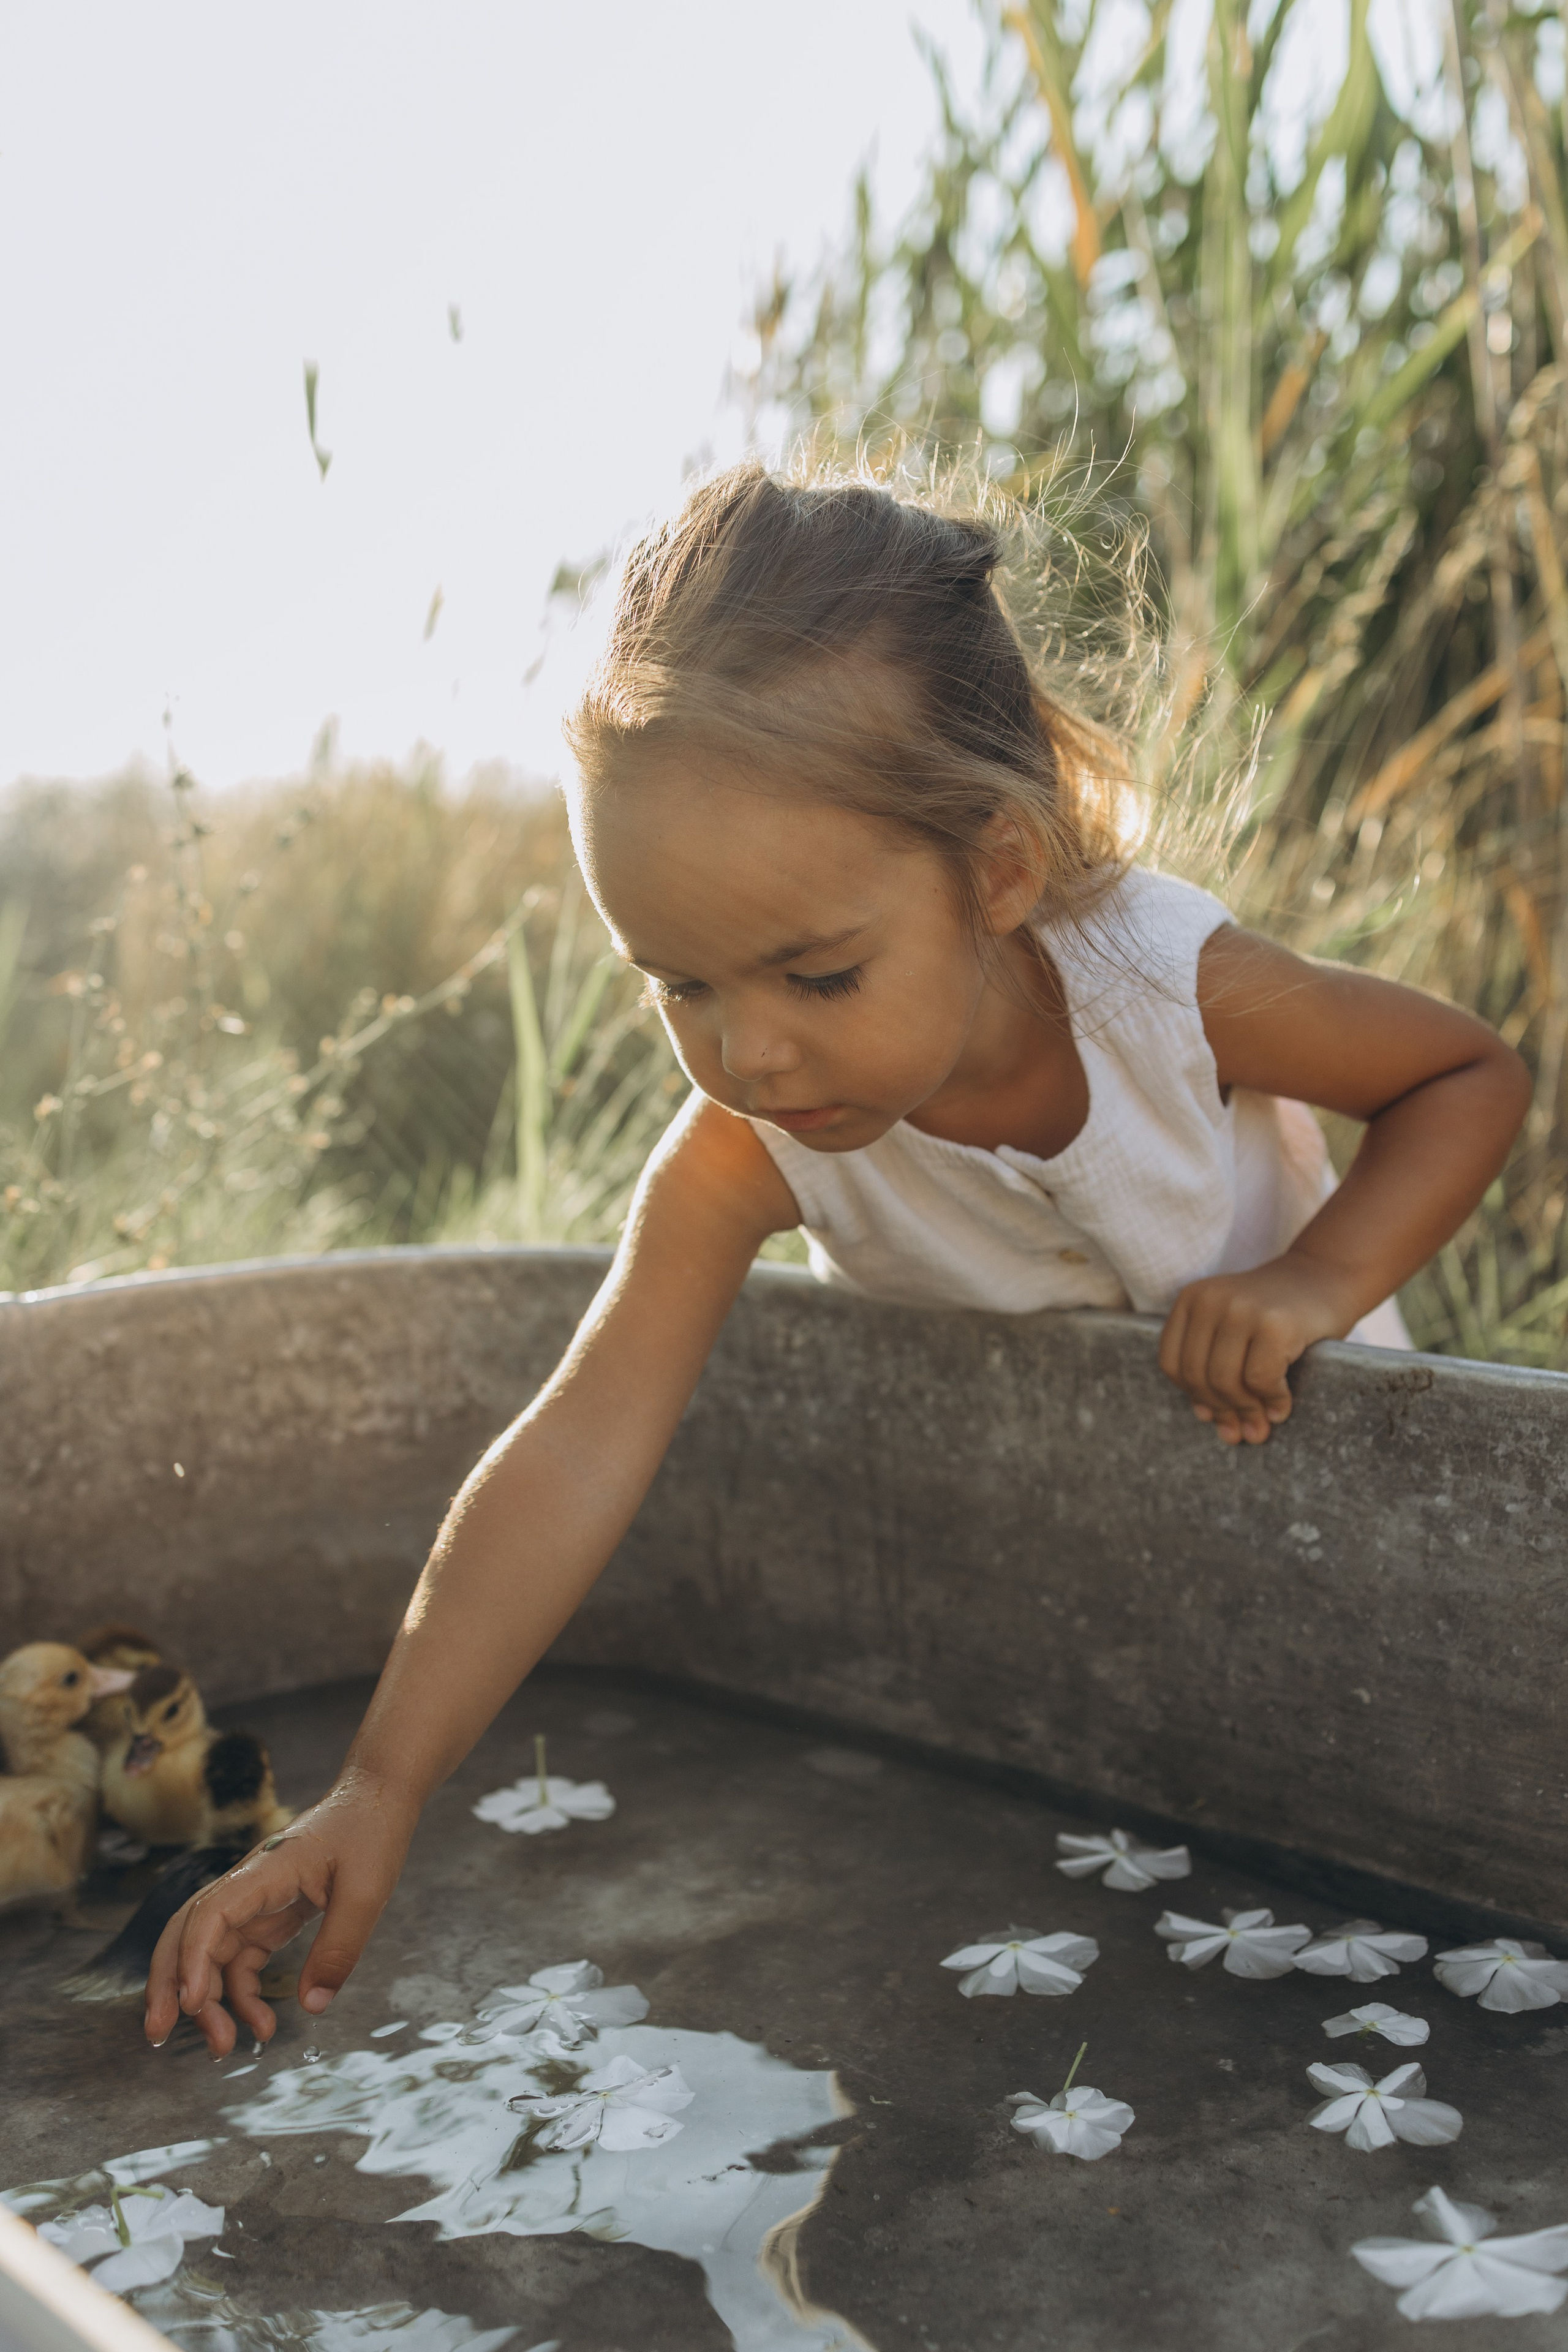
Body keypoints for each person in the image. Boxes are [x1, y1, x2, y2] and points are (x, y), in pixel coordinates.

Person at [143, 459, 1530, 2056]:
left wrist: (1312, 1283)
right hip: (1055, 1610)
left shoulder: (1161, 991)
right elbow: (582, 1443)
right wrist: (376, 1790)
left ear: (998, 870)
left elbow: (1461, 1076)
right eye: (679, 986)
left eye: (815, 973)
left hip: (1334, 1551)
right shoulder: (750, 1152)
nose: (752, 1055)